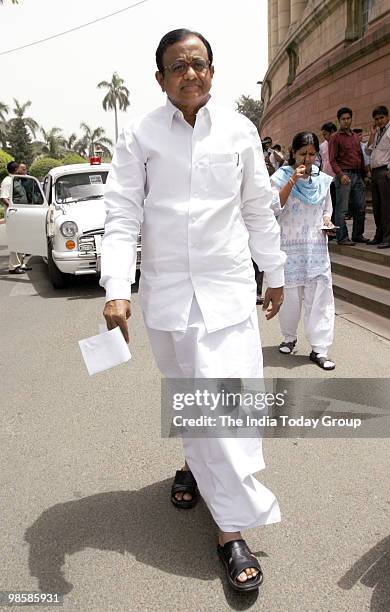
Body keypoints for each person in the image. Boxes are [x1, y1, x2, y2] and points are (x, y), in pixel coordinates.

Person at [100, 29, 286, 593]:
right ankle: (192, 465)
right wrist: (116, 286)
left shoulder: (239, 131)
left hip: (228, 295)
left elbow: (256, 206)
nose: (191, 73)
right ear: (160, 79)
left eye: (199, 63)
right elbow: (122, 213)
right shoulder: (141, 135)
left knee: (225, 405)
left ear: (213, 71)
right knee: (192, 394)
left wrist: (274, 270)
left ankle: (231, 529)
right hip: (169, 299)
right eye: (178, 66)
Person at [271, 131, 336, 370]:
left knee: (319, 298)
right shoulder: (281, 176)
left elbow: (326, 208)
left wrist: (328, 221)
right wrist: (292, 181)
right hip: (289, 247)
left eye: (312, 154)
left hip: (316, 249)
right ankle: (289, 337)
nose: (308, 159)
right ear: (293, 154)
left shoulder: (322, 180)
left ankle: (320, 349)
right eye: (302, 154)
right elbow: (273, 206)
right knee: (290, 297)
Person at [365, 105, 390, 248]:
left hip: (386, 171)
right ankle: (380, 235)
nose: (379, 121)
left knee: (387, 206)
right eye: (376, 119)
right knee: (377, 206)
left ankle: (389, 238)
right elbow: (368, 151)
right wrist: (371, 134)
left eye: (381, 118)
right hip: (376, 172)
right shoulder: (377, 132)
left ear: (387, 116)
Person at [328, 107, 368, 245]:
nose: (346, 121)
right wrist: (340, 174)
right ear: (339, 121)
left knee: (360, 207)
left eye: (348, 118)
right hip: (344, 175)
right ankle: (342, 237)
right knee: (342, 209)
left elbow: (360, 156)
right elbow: (332, 160)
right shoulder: (335, 137)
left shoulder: (355, 137)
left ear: (351, 119)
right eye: (343, 119)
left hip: (358, 175)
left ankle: (358, 234)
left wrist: (365, 174)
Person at [0, 161, 32, 274]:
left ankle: (21, 264)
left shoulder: (17, 179)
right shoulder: (7, 181)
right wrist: (13, 208)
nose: (22, 169)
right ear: (16, 169)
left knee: (22, 239)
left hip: (20, 215)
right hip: (14, 215)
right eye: (20, 168)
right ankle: (13, 267)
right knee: (16, 240)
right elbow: (3, 197)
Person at [319, 122, 337, 224]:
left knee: (337, 204)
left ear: (332, 132)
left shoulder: (338, 142)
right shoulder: (322, 146)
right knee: (329, 204)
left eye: (326, 134)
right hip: (327, 178)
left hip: (337, 178)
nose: (324, 137)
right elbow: (322, 161)